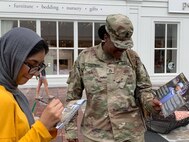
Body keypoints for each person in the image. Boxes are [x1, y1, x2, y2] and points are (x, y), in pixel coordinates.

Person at [65, 14, 161, 142]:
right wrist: (71, 131)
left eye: (125, 46)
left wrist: (150, 104)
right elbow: (73, 98)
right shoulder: (85, 58)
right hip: (96, 135)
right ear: (106, 37)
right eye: (117, 45)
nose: (121, 50)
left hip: (131, 133)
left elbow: (144, 89)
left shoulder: (133, 58)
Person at [0, 27, 64, 141]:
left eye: (39, 66)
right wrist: (42, 126)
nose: (35, 74)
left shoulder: (11, 91)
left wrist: (48, 124)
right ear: (12, 57)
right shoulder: (3, 99)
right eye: (31, 64)